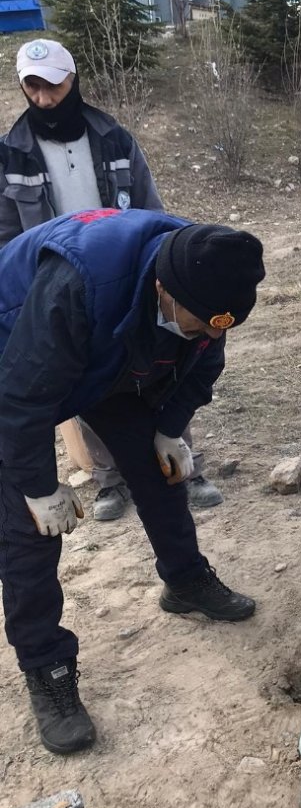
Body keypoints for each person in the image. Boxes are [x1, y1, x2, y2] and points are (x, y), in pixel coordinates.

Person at [0, 207, 265, 755]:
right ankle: (47, 669)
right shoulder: (78, 283)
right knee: (30, 528)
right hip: (14, 362)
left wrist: (169, 429)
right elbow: (22, 397)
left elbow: (204, 362)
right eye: (193, 321)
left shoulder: (209, 273)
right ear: (165, 289)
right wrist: (39, 486)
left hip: (108, 354)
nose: (200, 333)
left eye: (214, 325)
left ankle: (185, 581)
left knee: (158, 470)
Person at [0, 37, 223, 520]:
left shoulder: (113, 138)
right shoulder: (10, 156)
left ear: (72, 80)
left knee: (166, 361)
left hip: (131, 272)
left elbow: (151, 207)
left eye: (53, 86)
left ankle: (186, 463)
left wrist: (168, 268)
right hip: (59, 287)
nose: (44, 98)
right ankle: (108, 480)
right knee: (86, 378)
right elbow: (6, 235)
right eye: (32, 87)